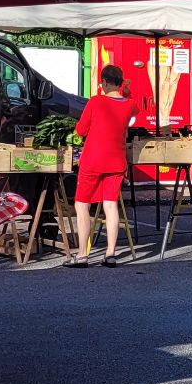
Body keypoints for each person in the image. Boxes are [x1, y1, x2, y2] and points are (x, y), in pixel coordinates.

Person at [70, 64, 137, 267]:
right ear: (120, 82)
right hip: (117, 161)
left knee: (82, 204)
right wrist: (125, 89)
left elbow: (80, 130)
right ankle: (110, 253)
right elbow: (133, 102)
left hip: (93, 159)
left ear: (105, 82)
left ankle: (82, 255)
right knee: (110, 204)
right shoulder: (129, 104)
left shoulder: (96, 101)